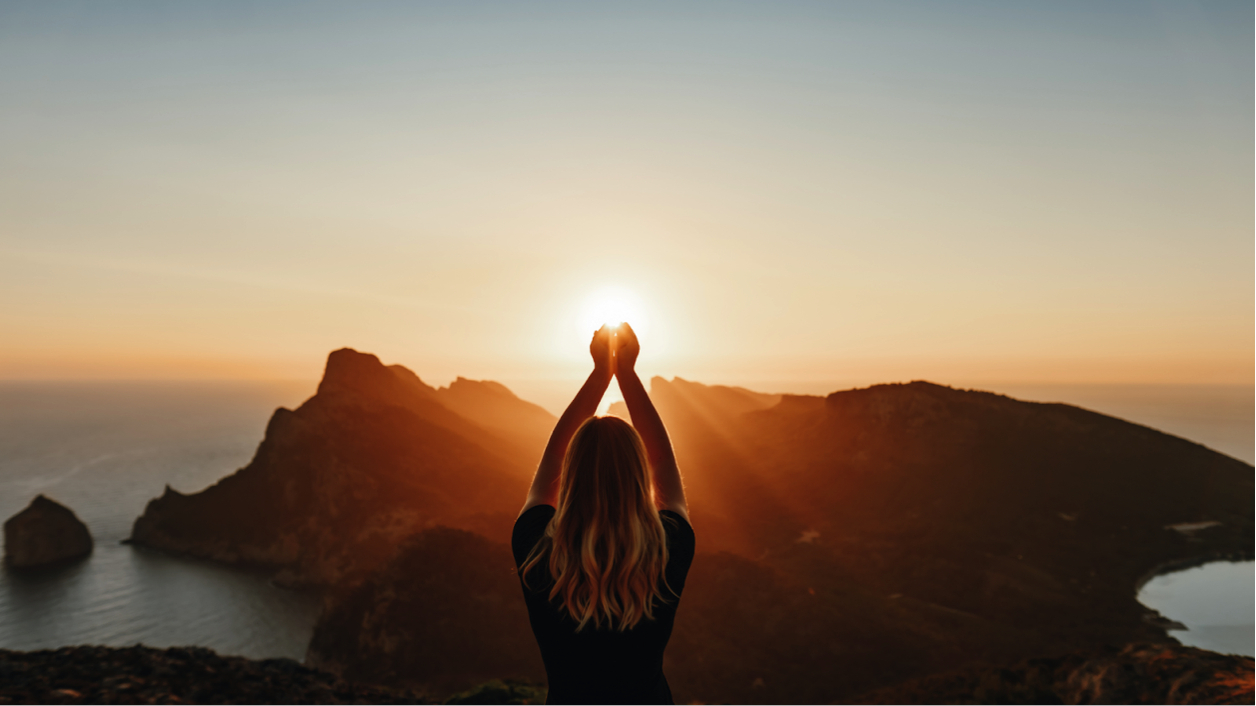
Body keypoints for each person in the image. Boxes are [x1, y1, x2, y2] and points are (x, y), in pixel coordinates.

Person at [512, 322, 695, 705]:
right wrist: (626, 375)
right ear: (636, 475)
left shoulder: (538, 552)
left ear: (571, 476)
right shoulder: (665, 551)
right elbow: (663, 464)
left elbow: (549, 467)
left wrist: (599, 374)